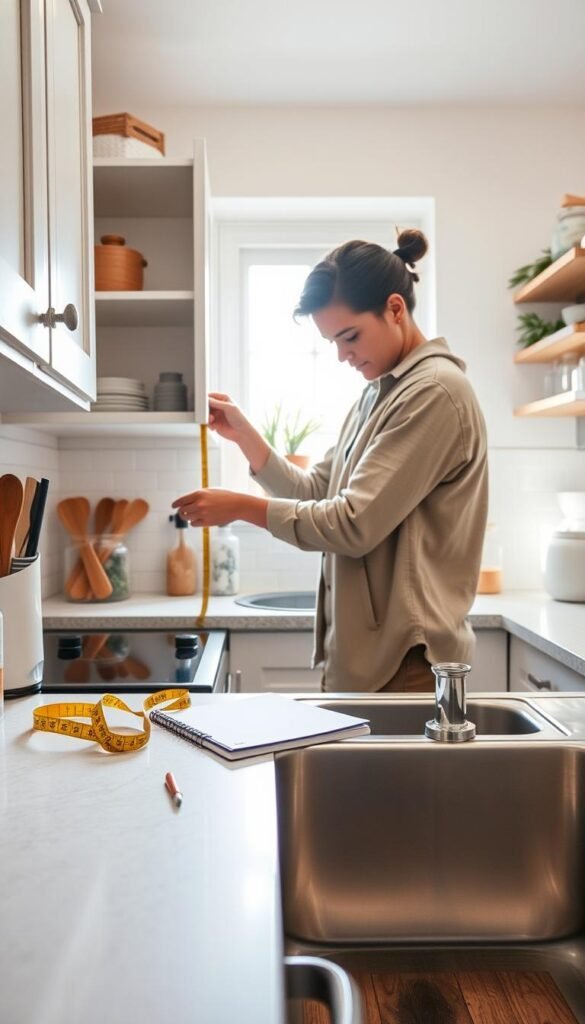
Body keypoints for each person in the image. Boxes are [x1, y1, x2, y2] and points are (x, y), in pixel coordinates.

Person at [172, 229, 488, 693]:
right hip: (371, 660)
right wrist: (245, 437)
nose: (342, 355)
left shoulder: (434, 393)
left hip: (407, 664)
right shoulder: (379, 393)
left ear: (395, 309)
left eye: (350, 336)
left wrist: (242, 508)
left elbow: (351, 524)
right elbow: (318, 491)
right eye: (333, 342)